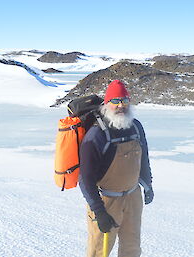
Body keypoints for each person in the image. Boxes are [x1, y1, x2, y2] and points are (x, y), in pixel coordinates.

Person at [79, 80, 154, 257]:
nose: (121, 105)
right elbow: (85, 179)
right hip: (106, 201)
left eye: (125, 100)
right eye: (115, 101)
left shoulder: (135, 127)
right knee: (99, 251)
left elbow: (143, 159)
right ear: (107, 103)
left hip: (133, 197)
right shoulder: (97, 135)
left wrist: (148, 185)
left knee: (132, 247)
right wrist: (99, 211)